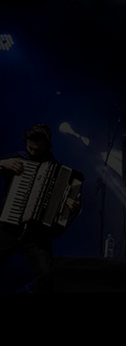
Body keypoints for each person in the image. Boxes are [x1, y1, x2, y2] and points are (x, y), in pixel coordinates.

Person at [0, 125, 82, 293]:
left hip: (36, 235)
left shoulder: (60, 173)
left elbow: (66, 208)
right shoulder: (16, 159)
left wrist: (73, 208)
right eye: (30, 148)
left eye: (37, 149)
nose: (32, 152)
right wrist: (1, 163)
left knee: (46, 276)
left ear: (48, 147)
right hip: (7, 229)